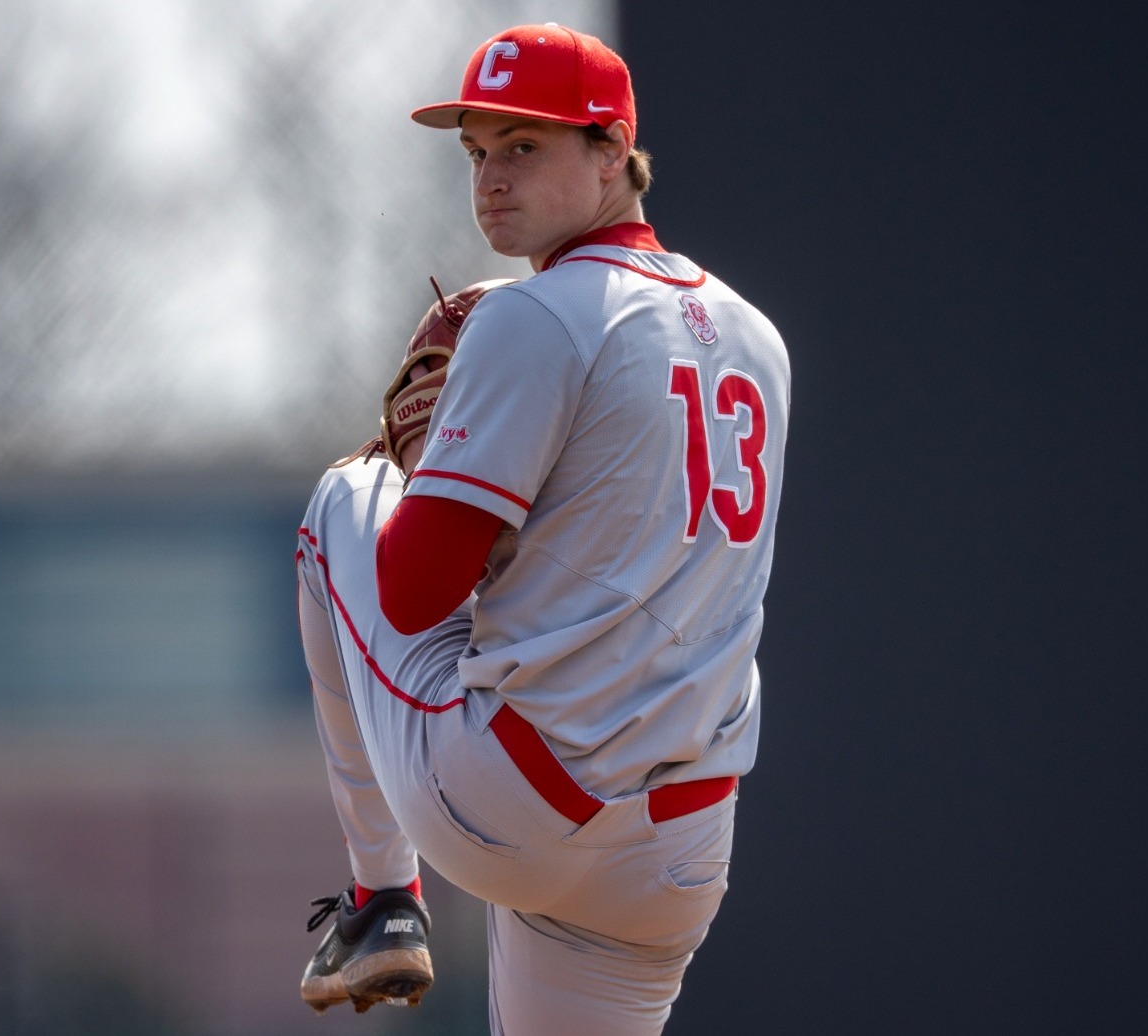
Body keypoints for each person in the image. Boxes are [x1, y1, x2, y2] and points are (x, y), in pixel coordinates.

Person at [293, 22, 790, 1035]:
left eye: (525, 145)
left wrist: (423, 476)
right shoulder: (758, 337)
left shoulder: (537, 315)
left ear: (614, 152)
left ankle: (380, 898)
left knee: (338, 503)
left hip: (519, 797)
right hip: (679, 847)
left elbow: (412, 592)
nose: (489, 178)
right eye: (477, 150)